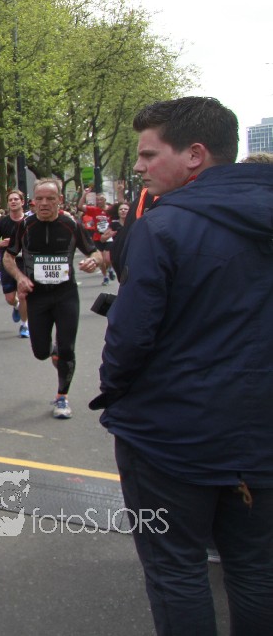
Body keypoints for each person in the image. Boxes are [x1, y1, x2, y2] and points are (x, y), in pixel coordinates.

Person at [91, 97, 273, 634]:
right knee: (256, 569)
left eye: (149, 154)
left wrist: (115, 393)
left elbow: (130, 337)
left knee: (176, 570)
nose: (139, 166)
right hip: (261, 432)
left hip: (171, 434)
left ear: (194, 154)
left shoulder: (164, 225)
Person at [1, 179, 100, 419]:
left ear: (60, 201)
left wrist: (93, 261)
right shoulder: (25, 225)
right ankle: (53, 351)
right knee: (41, 352)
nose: (44, 203)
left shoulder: (71, 224)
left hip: (66, 295)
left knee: (67, 348)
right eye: (39, 199)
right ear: (33, 201)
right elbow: (8, 257)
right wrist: (20, 277)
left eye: (50, 199)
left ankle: (62, 396)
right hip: (38, 297)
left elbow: (95, 252)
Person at [0, 189, 30, 337]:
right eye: (10, 200)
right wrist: (2, 243)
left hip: (24, 262)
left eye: (16, 199)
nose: (13, 202)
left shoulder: (29, 221)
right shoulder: (3, 222)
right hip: (8, 262)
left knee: (23, 294)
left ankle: (25, 325)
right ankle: (16, 306)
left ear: (22, 202)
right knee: (10, 298)